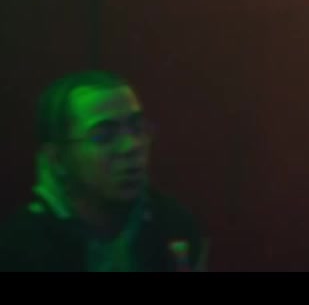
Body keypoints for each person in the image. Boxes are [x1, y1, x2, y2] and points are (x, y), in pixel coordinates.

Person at [0, 71, 208, 272]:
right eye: (104, 136)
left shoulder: (172, 223)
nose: (131, 146)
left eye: (137, 128)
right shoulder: (19, 248)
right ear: (57, 159)